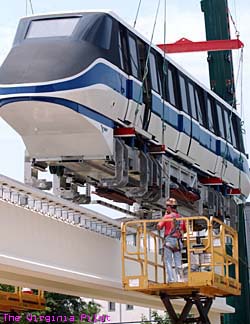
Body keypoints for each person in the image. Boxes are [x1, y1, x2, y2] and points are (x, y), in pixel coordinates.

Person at [157, 198, 186, 282]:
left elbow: (159, 226)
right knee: (178, 262)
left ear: (170, 207)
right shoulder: (181, 218)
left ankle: (171, 279)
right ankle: (180, 279)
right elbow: (185, 229)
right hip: (178, 242)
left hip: (169, 241)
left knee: (168, 261)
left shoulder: (167, 217)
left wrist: (164, 217)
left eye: (167, 206)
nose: (166, 208)